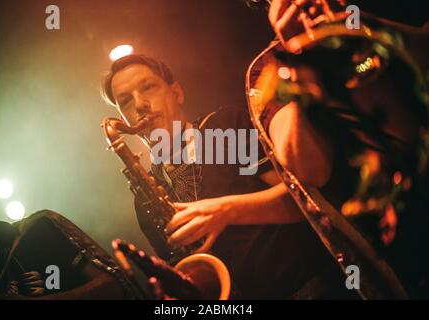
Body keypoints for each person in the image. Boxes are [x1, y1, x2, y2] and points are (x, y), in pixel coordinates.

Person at [101, 54, 353, 299]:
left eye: (148, 87)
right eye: (125, 101)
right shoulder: (144, 200)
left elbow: (307, 199)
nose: (140, 104)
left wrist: (226, 211)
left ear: (177, 93)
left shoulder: (225, 126)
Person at [249, 0, 429, 297]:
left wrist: (366, 26)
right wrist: (298, 59)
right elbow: (310, 170)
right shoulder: (269, 68)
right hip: (404, 244)